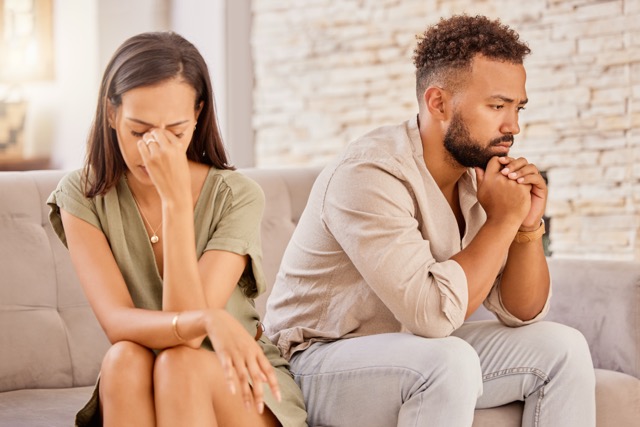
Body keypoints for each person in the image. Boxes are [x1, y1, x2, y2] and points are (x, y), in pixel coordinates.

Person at [264, 15, 595, 427]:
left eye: (516, 107)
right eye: (496, 106)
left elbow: (520, 312)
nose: (513, 126)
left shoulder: (479, 176)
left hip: (412, 351)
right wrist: (500, 222)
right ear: (438, 103)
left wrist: (525, 226)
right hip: (314, 364)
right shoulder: (369, 173)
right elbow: (433, 316)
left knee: (564, 347)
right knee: (448, 360)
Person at [47, 32, 307, 427]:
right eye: (139, 131)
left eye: (176, 131)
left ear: (198, 115)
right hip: (144, 373)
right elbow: (117, 323)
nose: (155, 148)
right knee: (123, 359)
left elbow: (188, 339)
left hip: (233, 380)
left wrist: (176, 204)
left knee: (180, 363)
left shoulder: (237, 196)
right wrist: (207, 319)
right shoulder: (81, 195)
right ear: (111, 113)